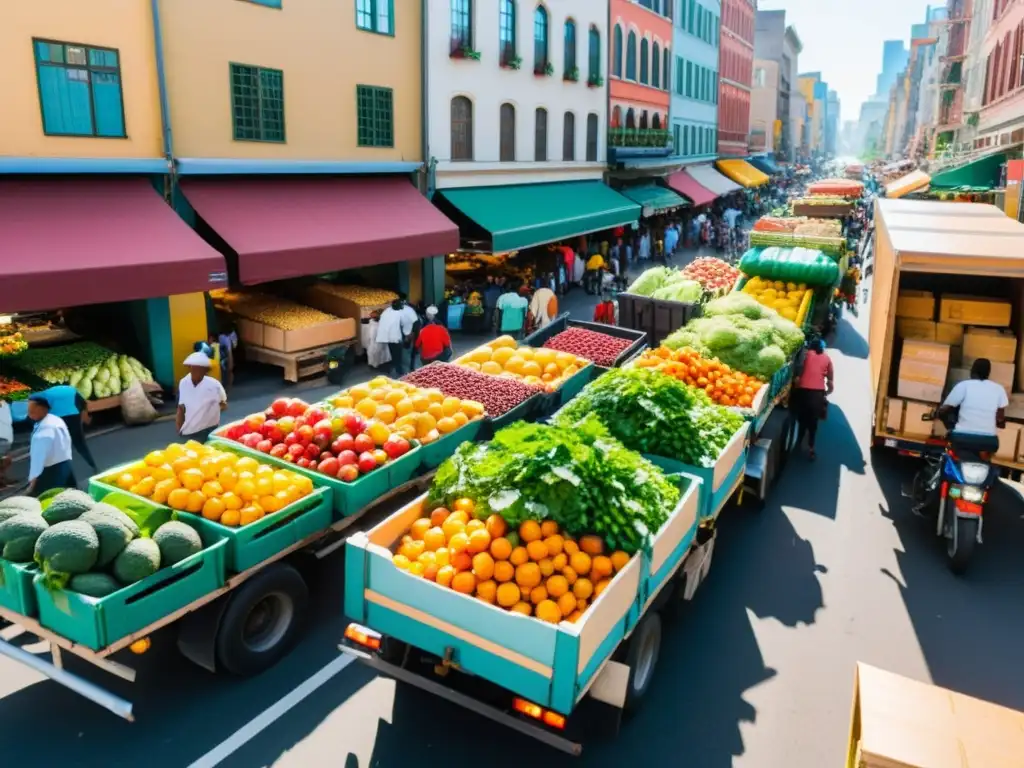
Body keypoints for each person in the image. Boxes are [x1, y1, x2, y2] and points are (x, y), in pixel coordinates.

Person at [937, 358, 1007, 449]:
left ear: (972, 370)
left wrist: (950, 426)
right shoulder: (999, 389)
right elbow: (1000, 421)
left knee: (952, 456)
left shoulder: (963, 386)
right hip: (989, 441)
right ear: (988, 373)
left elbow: (944, 411)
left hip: (963, 437)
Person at [38, 384, 97, 472]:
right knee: (80, 443)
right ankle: (93, 465)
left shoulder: (46, 393)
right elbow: (82, 404)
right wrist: (85, 417)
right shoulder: (71, 390)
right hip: (73, 416)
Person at [25, 394, 75, 497]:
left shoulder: (44, 431)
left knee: (47, 499)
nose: (29, 413)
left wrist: (32, 482)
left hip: (50, 471)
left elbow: (38, 459)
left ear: (42, 409)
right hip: (65, 464)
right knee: (71, 495)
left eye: (32, 410)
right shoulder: (55, 419)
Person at [792, 336, 834, 460]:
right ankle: (811, 449)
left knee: (802, 418)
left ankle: (798, 442)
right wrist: (826, 392)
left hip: (803, 392)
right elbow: (830, 382)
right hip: (817, 394)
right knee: (813, 423)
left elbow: (798, 369)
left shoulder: (806, 354)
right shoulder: (827, 359)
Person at [176, 352, 228, 444]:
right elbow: (181, 407)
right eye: (194, 368)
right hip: (188, 430)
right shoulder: (183, 382)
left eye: (201, 369)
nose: (197, 371)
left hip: (208, 429)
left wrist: (209, 411)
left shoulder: (214, 385)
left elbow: (223, 405)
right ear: (190, 367)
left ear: (205, 371)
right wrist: (179, 428)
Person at [376, 299, 407, 376]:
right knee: (398, 355)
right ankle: (399, 371)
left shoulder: (387, 312)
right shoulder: (398, 314)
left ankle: (391, 369)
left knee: (393, 354)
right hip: (396, 338)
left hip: (388, 338)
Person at [0, 398, 12, 488]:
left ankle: (3, 477)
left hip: (6, 435)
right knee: (3, 459)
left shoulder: (4, 403)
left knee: (6, 459)